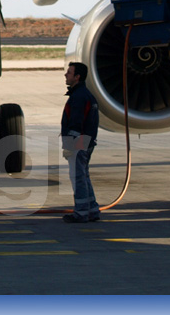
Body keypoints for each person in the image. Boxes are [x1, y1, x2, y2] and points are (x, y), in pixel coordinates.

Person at [60, 61, 101, 223]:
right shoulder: (86, 94)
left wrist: (70, 145)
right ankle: (92, 209)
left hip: (79, 142)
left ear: (77, 77)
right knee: (84, 176)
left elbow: (76, 124)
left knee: (77, 177)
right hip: (87, 141)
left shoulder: (78, 97)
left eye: (69, 73)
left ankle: (82, 212)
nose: (66, 75)